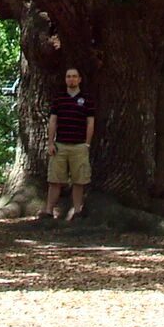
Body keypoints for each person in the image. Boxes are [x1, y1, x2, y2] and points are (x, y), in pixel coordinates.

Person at [44, 65, 96, 219]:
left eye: (74, 76)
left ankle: (77, 211)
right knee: (55, 180)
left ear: (79, 79)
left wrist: (87, 143)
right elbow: (53, 121)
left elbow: (90, 123)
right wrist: (51, 143)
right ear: (65, 79)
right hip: (60, 145)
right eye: (68, 76)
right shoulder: (59, 99)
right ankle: (48, 212)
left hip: (79, 146)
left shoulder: (87, 100)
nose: (71, 79)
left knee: (78, 180)